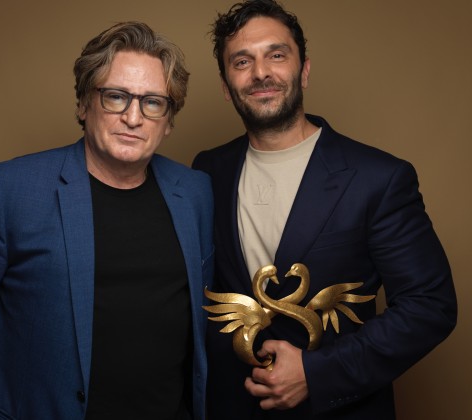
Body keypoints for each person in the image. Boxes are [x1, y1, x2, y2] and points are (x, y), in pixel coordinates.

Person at [0, 21, 214, 420]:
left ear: (169, 120)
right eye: (116, 96)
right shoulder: (10, 190)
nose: (133, 117)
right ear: (83, 104)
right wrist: (13, 383)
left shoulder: (195, 192)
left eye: (152, 102)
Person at [192, 1, 457, 419]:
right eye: (242, 61)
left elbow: (430, 306)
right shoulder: (208, 170)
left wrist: (316, 374)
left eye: (276, 55)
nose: (260, 72)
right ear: (226, 85)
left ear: (304, 70)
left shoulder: (378, 177)